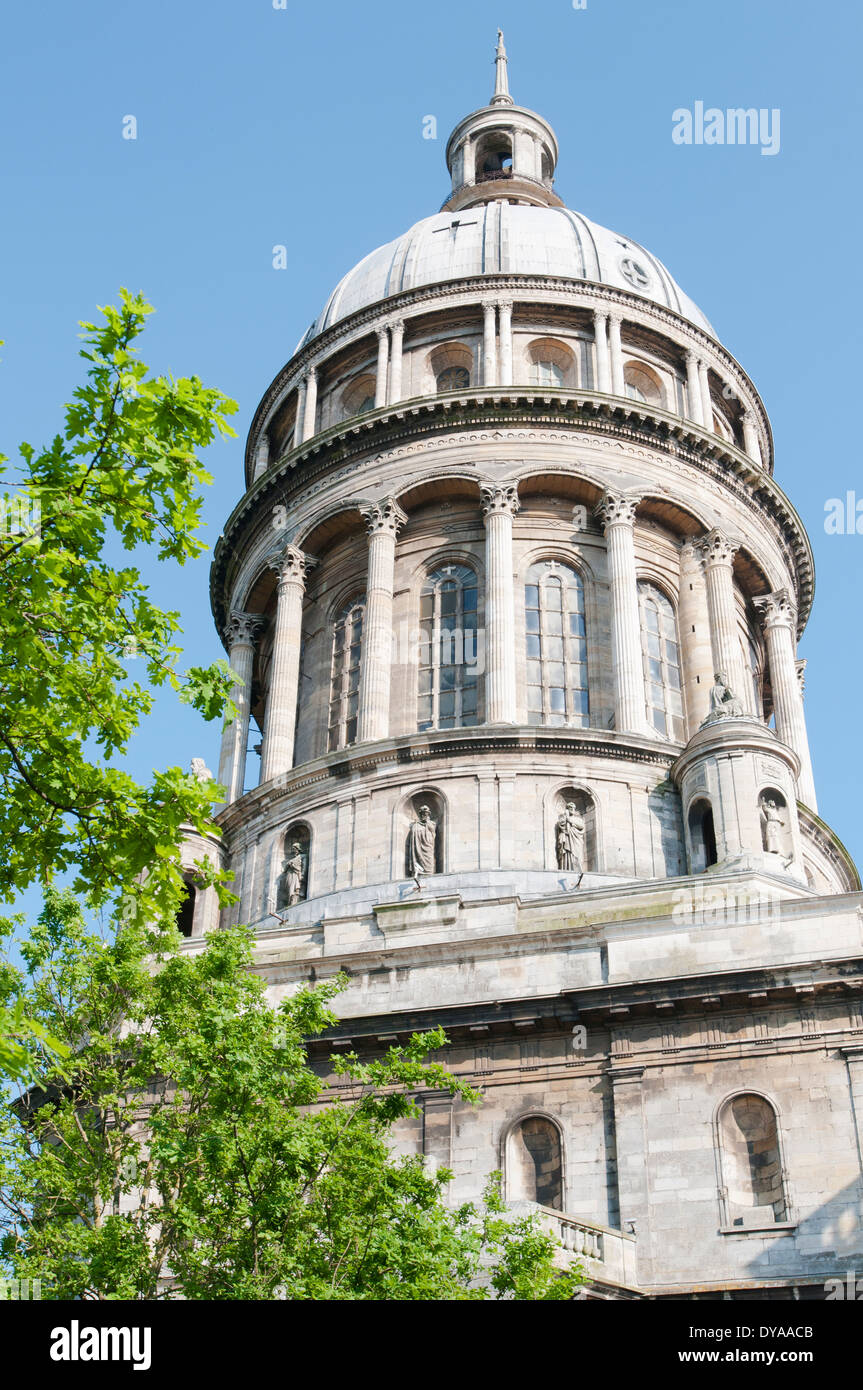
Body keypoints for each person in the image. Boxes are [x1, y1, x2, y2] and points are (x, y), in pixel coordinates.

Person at [407, 804, 437, 876]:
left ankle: (429, 872)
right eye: (423, 813)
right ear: (420, 814)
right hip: (418, 847)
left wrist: (428, 823)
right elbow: (413, 837)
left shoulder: (432, 823)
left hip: (428, 846)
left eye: (426, 813)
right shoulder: (415, 825)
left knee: (430, 860)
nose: (424, 815)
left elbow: (433, 833)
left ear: (428, 814)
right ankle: (417, 872)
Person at [556, 801, 585, 872]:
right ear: (567, 809)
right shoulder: (563, 818)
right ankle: (567, 868)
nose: (572, 809)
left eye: (573, 808)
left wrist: (570, 820)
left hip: (576, 840)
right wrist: (566, 818)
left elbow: (581, 826)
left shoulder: (578, 819)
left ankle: (577, 870)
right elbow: (561, 825)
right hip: (567, 838)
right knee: (567, 853)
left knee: (577, 855)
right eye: (570, 808)